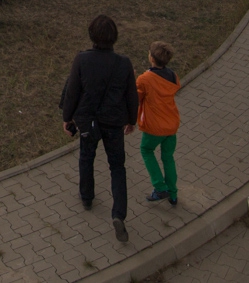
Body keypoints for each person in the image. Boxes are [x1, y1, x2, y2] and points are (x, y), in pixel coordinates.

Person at [61, 14, 139, 244]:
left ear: (92, 36)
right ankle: (118, 214)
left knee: (87, 156)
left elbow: (73, 91)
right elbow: (131, 95)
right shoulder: (123, 63)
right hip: (114, 122)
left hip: (89, 122)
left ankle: (86, 197)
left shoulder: (82, 60)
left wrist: (68, 118)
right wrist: (131, 120)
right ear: (114, 37)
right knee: (117, 167)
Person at [137, 41, 180, 206]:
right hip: (172, 124)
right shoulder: (172, 76)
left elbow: (136, 98)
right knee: (168, 158)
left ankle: (159, 186)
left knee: (146, 150)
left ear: (152, 58)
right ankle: (173, 193)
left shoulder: (145, 79)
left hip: (154, 127)